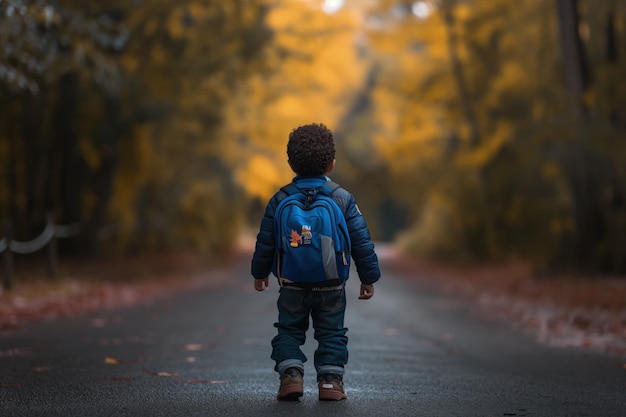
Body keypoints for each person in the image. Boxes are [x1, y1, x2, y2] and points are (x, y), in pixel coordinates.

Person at [251, 123, 381, 401]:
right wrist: (369, 277)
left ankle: (291, 376)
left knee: (288, 329)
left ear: (290, 163)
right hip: (331, 283)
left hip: (291, 282)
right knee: (332, 332)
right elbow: (361, 241)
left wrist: (259, 272)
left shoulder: (280, 199)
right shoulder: (342, 198)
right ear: (331, 164)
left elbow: (265, 241)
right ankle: (331, 383)